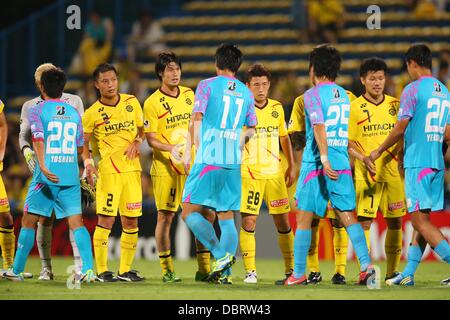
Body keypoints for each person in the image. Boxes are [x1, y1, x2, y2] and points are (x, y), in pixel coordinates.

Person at [285, 44, 374, 286]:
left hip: (316, 164)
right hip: (342, 162)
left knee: (303, 217)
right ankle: (366, 266)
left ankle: (299, 273)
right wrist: (360, 156)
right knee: (346, 215)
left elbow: (319, 127)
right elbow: (342, 135)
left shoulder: (312, 95)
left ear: (313, 68)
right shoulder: (344, 97)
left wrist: (323, 159)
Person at [3, 68, 95, 282]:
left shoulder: (37, 111)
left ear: (42, 87)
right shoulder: (73, 112)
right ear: (63, 88)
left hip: (46, 176)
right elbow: (81, 146)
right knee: (77, 223)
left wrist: (43, 167)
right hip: (70, 176)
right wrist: (86, 168)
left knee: (28, 220)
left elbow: (37, 139)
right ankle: (89, 270)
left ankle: (16, 271)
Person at [369, 44, 450, 286]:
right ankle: (409, 274)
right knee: (422, 221)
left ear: (412, 63)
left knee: (418, 221)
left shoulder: (413, 89)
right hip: (436, 162)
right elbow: (448, 134)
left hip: (418, 162)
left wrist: (379, 150)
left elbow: (401, 127)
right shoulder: (444, 90)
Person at [181, 43, 257, 284]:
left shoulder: (206, 86)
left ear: (217, 62)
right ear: (237, 66)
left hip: (210, 156)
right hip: (232, 159)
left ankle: (219, 254)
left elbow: (197, 117)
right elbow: (252, 128)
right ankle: (225, 275)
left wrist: (195, 149)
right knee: (226, 216)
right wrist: (238, 141)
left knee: (187, 211)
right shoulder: (246, 92)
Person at [143, 51, 214, 282]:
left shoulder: (188, 94)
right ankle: (167, 270)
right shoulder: (152, 102)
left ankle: (204, 269)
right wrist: (169, 148)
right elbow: (150, 138)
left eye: (177, 69)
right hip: (165, 168)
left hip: (191, 165)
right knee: (165, 217)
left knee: (203, 213)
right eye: (170, 70)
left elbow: (196, 123)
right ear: (160, 73)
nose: (175, 73)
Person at [19, 62, 85, 281]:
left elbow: (36, 137)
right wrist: (27, 153)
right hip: (62, 169)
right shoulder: (33, 106)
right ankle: (52, 269)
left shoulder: (67, 102)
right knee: (55, 220)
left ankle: (78, 268)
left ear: (42, 85)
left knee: (36, 218)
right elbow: (24, 136)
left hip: (48, 169)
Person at [287, 83, 357, 285]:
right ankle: (314, 270)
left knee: (337, 220)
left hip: (333, 165)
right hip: (319, 167)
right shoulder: (303, 100)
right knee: (313, 220)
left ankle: (340, 271)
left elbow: (351, 135)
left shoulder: (346, 97)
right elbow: (297, 135)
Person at [82, 63, 145, 282]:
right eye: (105, 81)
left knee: (131, 222)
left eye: (113, 80)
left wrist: (137, 141)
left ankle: (125, 271)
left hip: (132, 171)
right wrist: (88, 164)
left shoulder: (131, 102)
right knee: (106, 221)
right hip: (108, 173)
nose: (110, 85)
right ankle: (101, 271)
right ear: (97, 85)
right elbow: (84, 144)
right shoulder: (91, 113)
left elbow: (142, 128)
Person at [348, 58, 405, 281]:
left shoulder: (395, 105)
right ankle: (366, 271)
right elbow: (347, 141)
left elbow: (402, 134)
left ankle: (392, 272)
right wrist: (362, 157)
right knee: (365, 222)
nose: (377, 83)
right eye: (372, 78)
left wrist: (402, 154)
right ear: (363, 80)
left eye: (380, 78)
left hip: (392, 174)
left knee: (396, 222)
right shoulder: (354, 108)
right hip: (367, 175)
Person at [239, 63, 295, 284]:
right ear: (247, 86)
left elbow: (284, 137)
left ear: (269, 85)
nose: (260, 89)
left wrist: (291, 164)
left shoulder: (277, 108)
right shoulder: (242, 109)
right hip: (250, 173)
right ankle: (250, 272)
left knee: (283, 222)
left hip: (274, 173)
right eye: (256, 85)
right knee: (249, 222)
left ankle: (291, 271)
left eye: (264, 84)